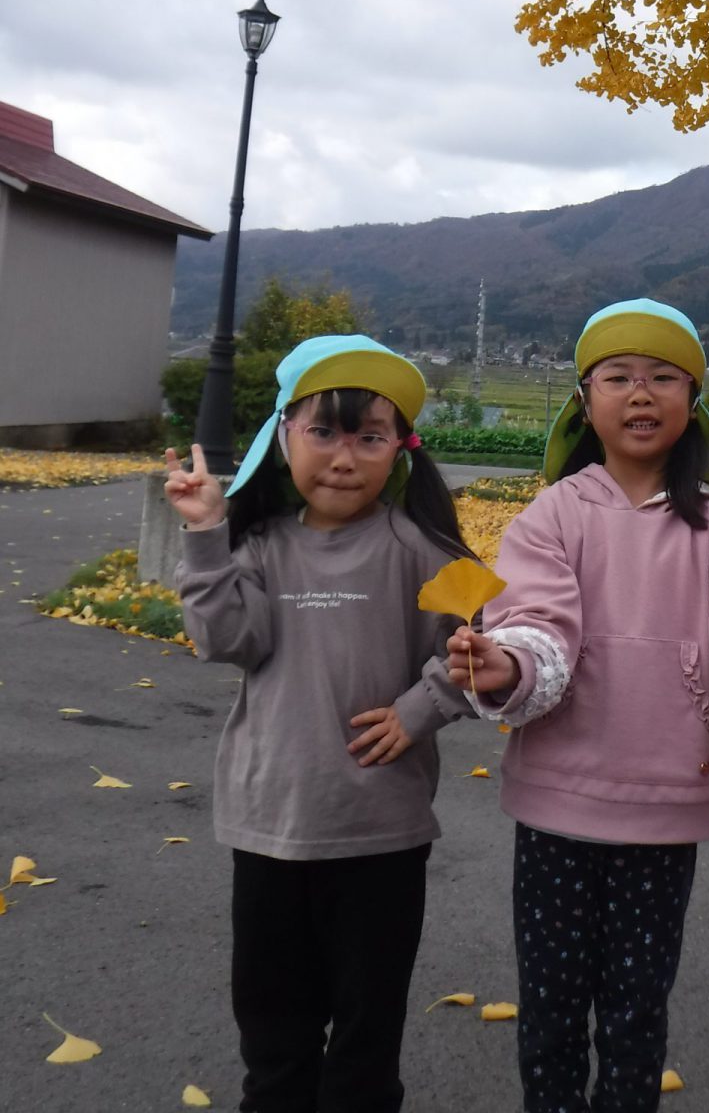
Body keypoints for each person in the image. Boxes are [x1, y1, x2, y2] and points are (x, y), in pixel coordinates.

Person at [446, 297, 709, 1113]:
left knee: (636, 1014)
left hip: (664, 808)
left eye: (662, 378)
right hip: (557, 805)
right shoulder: (553, 514)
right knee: (550, 1013)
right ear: (585, 402)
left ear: (693, 401)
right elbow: (535, 626)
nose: (640, 393)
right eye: (617, 377)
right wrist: (505, 666)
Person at [163, 334, 475, 1113]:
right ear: (284, 438)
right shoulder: (262, 547)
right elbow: (226, 639)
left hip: (382, 836)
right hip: (270, 826)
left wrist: (420, 709)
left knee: (366, 1041)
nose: (344, 456)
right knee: (274, 1036)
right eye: (324, 431)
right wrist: (206, 534)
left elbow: (481, 652)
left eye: (369, 436)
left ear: (398, 449)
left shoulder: (420, 549)